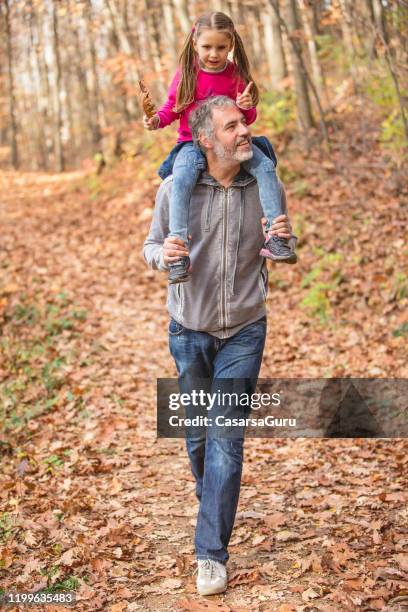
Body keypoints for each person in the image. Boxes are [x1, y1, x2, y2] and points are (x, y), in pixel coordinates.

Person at [143, 96, 296, 596]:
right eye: (232, 126)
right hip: (189, 330)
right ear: (205, 139)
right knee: (199, 439)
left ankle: (210, 553)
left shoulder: (265, 186)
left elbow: (281, 249)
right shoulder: (176, 190)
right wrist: (160, 253)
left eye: (244, 122)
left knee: (226, 439)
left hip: (246, 329)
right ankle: (214, 497)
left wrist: (284, 239)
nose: (244, 131)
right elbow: (150, 246)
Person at [143, 11, 296, 285]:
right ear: (195, 44)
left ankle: (277, 237)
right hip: (191, 142)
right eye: (207, 47)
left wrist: (247, 108)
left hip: (229, 143)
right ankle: (178, 250)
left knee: (265, 166)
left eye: (221, 47)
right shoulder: (187, 73)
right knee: (182, 179)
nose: (214, 54)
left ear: (231, 45)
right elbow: (172, 109)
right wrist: (156, 121)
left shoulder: (234, 74)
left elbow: (246, 118)